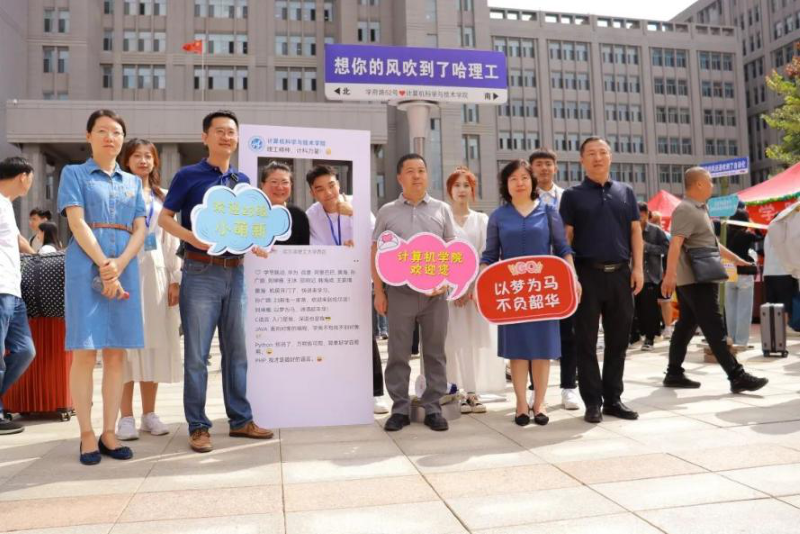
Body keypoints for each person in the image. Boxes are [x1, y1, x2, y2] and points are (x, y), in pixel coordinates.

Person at [159, 110, 273, 453]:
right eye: (219, 131)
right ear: (205, 137)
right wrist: (191, 237)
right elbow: (165, 218)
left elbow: (247, 226)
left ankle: (240, 420)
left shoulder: (243, 180)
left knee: (237, 352)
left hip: (236, 271)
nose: (226, 137)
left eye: (231, 132)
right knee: (197, 355)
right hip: (200, 271)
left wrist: (256, 242)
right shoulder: (187, 176)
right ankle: (198, 426)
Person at [57, 110, 147, 465]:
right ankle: (86, 433)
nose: (110, 137)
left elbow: (140, 228)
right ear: (89, 136)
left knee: (116, 352)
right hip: (85, 266)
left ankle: (109, 431)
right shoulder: (74, 173)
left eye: (117, 132)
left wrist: (119, 264)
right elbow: (76, 222)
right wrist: (103, 264)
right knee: (85, 350)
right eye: (103, 131)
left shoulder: (133, 182)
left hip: (125, 265)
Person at [481, 160, 576, 426]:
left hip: (542, 291)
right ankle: (521, 403)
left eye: (524, 177)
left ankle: (540, 401)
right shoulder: (498, 216)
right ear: (506, 185)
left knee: (542, 349)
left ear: (532, 181)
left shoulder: (548, 211)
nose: (519, 183)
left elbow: (562, 248)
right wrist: (480, 282)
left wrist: (573, 277)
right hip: (512, 294)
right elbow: (490, 254)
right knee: (518, 349)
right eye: (513, 179)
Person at [559, 137, 643, 424]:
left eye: (603, 152)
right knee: (585, 341)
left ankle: (613, 399)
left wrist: (638, 268)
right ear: (581, 160)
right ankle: (592, 402)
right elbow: (566, 238)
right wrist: (570, 275)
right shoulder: (572, 196)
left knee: (618, 341)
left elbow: (635, 231)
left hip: (620, 274)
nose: (598, 158)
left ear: (611, 157)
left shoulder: (625, 191)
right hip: (586, 275)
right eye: (591, 153)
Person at [660, 167, 768, 393]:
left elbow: (711, 244)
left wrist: (736, 259)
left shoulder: (701, 209)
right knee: (713, 326)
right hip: (696, 279)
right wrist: (669, 276)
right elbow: (675, 243)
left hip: (697, 278)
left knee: (686, 325)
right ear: (698, 184)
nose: (712, 185)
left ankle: (674, 373)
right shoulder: (686, 209)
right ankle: (736, 375)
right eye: (709, 181)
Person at [373, 153, 455, 433]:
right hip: (399, 293)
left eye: (421, 170)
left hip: (435, 295)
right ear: (400, 177)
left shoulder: (442, 209)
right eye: (410, 171)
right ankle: (400, 409)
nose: (417, 175)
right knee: (398, 352)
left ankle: (433, 408)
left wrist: (448, 281)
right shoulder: (387, 211)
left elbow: (451, 250)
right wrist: (379, 291)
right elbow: (376, 252)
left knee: (435, 352)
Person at [304, 165, 388, 414]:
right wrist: (342, 252)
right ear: (313, 193)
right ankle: (336, 391)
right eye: (320, 189)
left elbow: (377, 239)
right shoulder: (311, 216)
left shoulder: (357, 205)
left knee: (365, 338)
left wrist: (354, 216)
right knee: (331, 340)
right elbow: (316, 250)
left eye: (331, 185)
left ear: (339, 184)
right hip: (330, 286)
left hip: (360, 282)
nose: (328, 193)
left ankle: (375, 393)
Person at [116, 139, 182, 440]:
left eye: (148, 156)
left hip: (155, 272)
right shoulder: (117, 193)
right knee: (125, 349)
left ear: (155, 161)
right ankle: (125, 417)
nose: (143, 161)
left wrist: (174, 277)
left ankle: (149, 414)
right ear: (126, 160)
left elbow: (170, 240)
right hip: (125, 269)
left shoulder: (162, 196)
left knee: (154, 343)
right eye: (137, 156)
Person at [444, 167, 505, 414]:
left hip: (474, 293)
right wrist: (455, 287)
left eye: (466, 185)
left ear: (472, 190)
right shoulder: (442, 218)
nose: (461, 190)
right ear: (449, 190)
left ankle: (472, 391)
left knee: (472, 342)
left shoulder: (482, 220)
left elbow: (486, 255)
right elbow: (439, 257)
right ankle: (454, 390)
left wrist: (470, 287)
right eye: (457, 185)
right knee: (451, 341)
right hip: (449, 293)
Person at [529, 148, 580, 411]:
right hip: (534, 277)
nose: (544, 168)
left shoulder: (568, 197)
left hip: (564, 272)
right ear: (531, 169)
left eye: (548, 164)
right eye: (539, 164)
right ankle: (535, 389)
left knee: (568, 333)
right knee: (534, 334)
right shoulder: (524, 198)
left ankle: (569, 387)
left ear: (555, 167)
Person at [0, 156, 37, 435]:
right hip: (0, 289)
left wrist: (38, 256)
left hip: (14, 291)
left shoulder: (7, 205)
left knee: (25, 350)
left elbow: (17, 240)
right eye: (32, 178)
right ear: (23, 176)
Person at [632, 202, 669, 351]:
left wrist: (646, 246)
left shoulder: (656, 231)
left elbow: (666, 248)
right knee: (635, 309)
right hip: (633, 275)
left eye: (641, 216)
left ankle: (650, 338)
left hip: (650, 276)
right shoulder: (629, 229)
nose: (639, 219)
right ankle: (635, 336)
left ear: (647, 215)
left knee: (650, 309)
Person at [724, 209, 761, 348]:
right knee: (744, 309)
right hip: (745, 274)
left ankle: (731, 338)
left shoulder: (724, 235)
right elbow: (760, 236)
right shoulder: (747, 235)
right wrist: (753, 225)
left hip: (729, 274)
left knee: (730, 310)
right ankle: (741, 342)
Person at [259, 161, 310, 245]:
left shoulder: (298, 215)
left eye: (285, 182)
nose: (279, 187)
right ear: (262, 185)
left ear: (291, 185)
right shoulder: (252, 212)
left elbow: (305, 248)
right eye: (274, 182)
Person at [650, 210, 675, 339]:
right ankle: (666, 327)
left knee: (664, 301)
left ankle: (666, 327)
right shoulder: (666, 235)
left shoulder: (665, 236)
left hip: (661, 273)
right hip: (659, 273)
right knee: (665, 301)